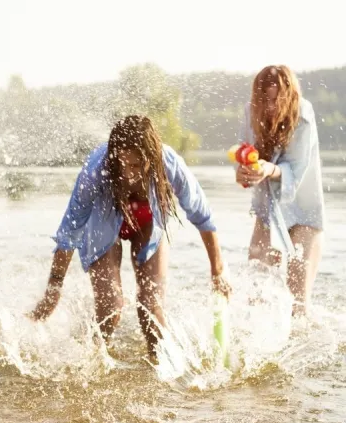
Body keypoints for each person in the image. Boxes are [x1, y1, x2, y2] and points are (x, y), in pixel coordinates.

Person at [29, 115, 232, 359]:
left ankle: (159, 373)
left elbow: (202, 216)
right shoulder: (96, 171)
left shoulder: (169, 164)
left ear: (151, 158)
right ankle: (92, 363)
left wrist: (217, 270)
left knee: (151, 310)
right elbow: (69, 231)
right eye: (121, 164)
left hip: (148, 223)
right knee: (110, 309)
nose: (127, 173)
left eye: (135, 165)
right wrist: (54, 289)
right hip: (104, 224)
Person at [234, 65, 324, 317]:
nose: (270, 107)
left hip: (305, 211)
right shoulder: (251, 112)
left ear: (288, 97)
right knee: (256, 291)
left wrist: (267, 169)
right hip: (268, 211)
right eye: (264, 101)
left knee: (298, 303)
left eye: (275, 100)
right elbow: (244, 153)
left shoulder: (303, 113)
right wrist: (243, 173)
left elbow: (296, 168)